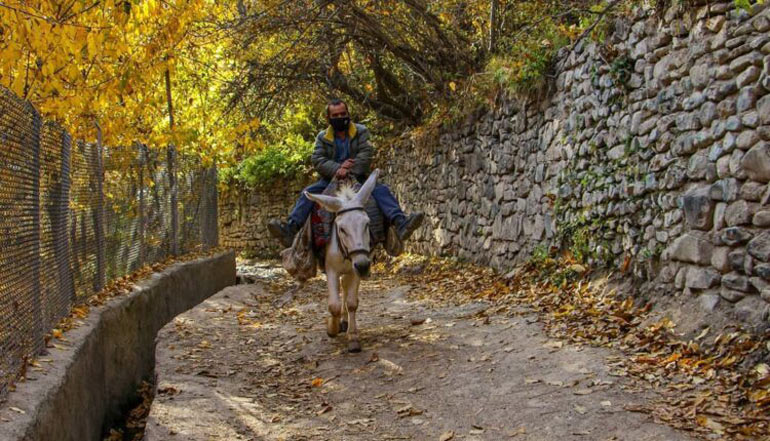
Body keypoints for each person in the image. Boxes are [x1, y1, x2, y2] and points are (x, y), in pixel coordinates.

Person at [268, 99, 424, 248]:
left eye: (343, 114)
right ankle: (291, 229)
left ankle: (400, 223)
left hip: (359, 178)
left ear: (348, 114)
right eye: (335, 115)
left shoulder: (361, 131)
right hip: (330, 181)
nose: (340, 118)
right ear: (328, 118)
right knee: (307, 194)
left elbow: (366, 154)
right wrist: (337, 169)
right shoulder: (322, 137)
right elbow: (318, 159)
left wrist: (349, 169)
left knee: (381, 190)